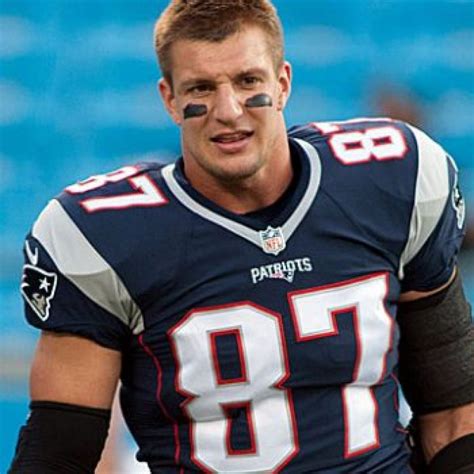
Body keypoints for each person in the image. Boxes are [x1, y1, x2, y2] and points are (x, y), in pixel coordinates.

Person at [9, 0, 474, 472]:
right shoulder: (104, 233)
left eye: (248, 81)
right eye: (201, 88)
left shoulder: (390, 179)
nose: (228, 111)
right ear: (169, 98)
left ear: (282, 82)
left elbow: (456, 413)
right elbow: (59, 451)